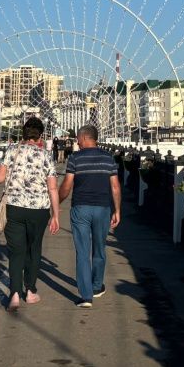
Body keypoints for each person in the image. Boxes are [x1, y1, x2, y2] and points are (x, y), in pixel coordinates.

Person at [0, 117, 60, 312]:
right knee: (34, 249)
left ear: (24, 133)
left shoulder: (12, 151)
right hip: (39, 210)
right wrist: (55, 214)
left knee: (16, 252)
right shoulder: (46, 155)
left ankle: (14, 294)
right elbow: (53, 188)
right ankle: (29, 291)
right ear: (40, 135)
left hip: (14, 208)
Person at [57, 125, 121, 308]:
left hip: (81, 209)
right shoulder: (108, 158)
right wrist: (117, 210)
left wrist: (55, 205)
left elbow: (67, 186)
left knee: (83, 252)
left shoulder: (75, 158)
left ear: (85, 138)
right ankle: (96, 285)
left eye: (78, 139)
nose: (77, 142)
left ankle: (86, 297)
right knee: (100, 249)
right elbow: (115, 186)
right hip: (102, 209)